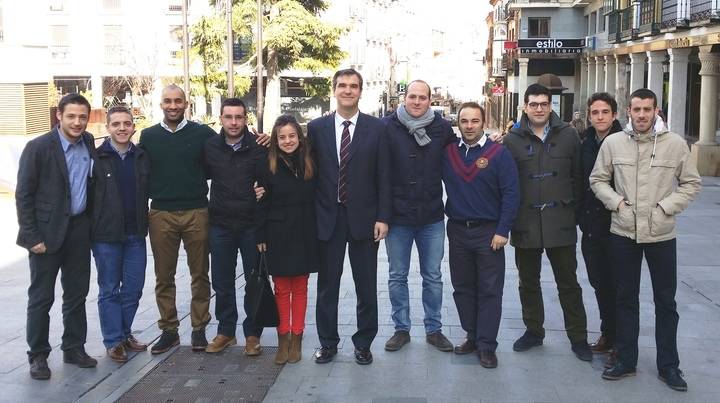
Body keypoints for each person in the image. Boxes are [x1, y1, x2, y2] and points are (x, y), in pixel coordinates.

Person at [591, 88, 701, 391]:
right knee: (625, 298)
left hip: (661, 234)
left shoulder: (675, 144)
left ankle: (669, 366)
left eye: (647, 109)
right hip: (623, 232)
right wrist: (617, 203)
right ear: (628, 111)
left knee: (665, 301)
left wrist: (666, 207)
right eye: (636, 109)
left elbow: (691, 183)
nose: (641, 115)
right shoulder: (613, 143)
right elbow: (597, 179)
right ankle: (626, 360)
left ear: (656, 111)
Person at [503, 83, 592, 361]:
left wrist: (573, 210)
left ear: (550, 105)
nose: (539, 109)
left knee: (568, 282)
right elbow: (506, 182)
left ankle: (578, 337)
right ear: (525, 106)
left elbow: (579, 176)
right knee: (528, 281)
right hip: (525, 221)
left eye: (544, 104)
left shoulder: (568, 135)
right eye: (534, 104)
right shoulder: (512, 139)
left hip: (560, 220)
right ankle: (533, 331)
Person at [308, 68, 391, 365]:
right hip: (327, 218)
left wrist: (383, 217)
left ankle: (363, 343)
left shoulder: (377, 128)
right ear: (334, 89)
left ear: (360, 91)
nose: (347, 90)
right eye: (342, 85)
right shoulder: (316, 128)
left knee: (366, 286)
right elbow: (307, 172)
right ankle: (327, 343)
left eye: (353, 86)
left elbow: (385, 175)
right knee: (327, 287)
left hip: (365, 220)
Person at [16, 93, 98, 379]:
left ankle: (73, 348)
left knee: (77, 294)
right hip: (46, 234)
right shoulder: (38, 147)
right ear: (59, 116)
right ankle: (38, 355)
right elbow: (24, 194)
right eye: (71, 116)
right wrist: (31, 236)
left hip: (79, 230)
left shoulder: (88, 142)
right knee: (41, 297)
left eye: (82, 117)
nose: (77, 122)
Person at [139, 85, 216, 354]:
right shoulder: (148, 136)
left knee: (200, 274)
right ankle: (169, 330)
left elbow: (224, 153)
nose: (173, 106)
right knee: (164, 276)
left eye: (178, 101)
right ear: (161, 104)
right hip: (161, 213)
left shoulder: (202, 133)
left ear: (186, 104)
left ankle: (199, 328)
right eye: (168, 101)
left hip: (197, 211)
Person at [442, 102, 520, 368]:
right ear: (458, 124)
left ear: (483, 123)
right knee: (463, 288)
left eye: (475, 121)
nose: (469, 126)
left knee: (489, 290)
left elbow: (511, 193)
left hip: (489, 233)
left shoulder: (499, 153)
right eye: (464, 121)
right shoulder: (449, 153)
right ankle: (472, 336)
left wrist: (502, 230)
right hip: (457, 231)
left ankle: (487, 345)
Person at [381, 80, 456, 352]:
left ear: (429, 100)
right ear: (404, 98)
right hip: (398, 217)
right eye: (412, 96)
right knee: (397, 276)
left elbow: (461, 156)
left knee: (433, 276)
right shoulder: (387, 126)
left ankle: (434, 329)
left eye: (422, 97)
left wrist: (494, 141)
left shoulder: (442, 128)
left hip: (431, 216)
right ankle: (401, 329)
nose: (416, 101)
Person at [202, 98, 267, 355]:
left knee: (254, 281)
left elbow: (273, 178)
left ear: (245, 118)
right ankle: (226, 331)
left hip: (251, 225)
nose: (233, 122)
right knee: (222, 281)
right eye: (228, 117)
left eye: (238, 117)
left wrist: (265, 191)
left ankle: (252, 333)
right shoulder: (210, 146)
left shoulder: (259, 147)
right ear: (221, 119)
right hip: (221, 225)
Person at [256, 115, 319, 365]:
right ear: (275, 140)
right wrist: (261, 235)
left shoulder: (310, 161)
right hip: (278, 233)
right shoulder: (267, 163)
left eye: (292, 135)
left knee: (300, 287)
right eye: (282, 137)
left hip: (305, 231)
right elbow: (262, 203)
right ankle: (283, 338)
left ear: (299, 138)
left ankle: (297, 337)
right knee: (282, 288)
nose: (288, 141)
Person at [91, 106, 151, 363]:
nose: (122, 128)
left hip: (135, 234)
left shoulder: (141, 157)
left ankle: (124, 334)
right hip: (106, 236)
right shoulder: (96, 157)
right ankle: (114, 340)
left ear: (133, 127)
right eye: (116, 124)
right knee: (109, 290)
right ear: (108, 128)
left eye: (127, 123)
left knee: (134, 289)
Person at [577, 93, 623, 366]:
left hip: (618, 228)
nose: (600, 117)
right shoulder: (585, 142)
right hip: (591, 227)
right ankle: (608, 334)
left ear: (614, 115)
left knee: (619, 287)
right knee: (599, 284)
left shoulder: (625, 142)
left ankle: (621, 344)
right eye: (595, 112)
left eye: (605, 112)